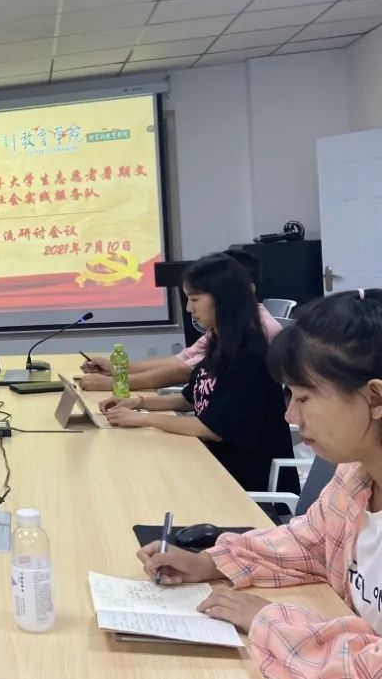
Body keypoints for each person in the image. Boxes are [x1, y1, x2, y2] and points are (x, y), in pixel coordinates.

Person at [136, 289, 382, 678]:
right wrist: (207, 563)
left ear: (375, 397)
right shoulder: (356, 478)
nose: (290, 416)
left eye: (304, 398)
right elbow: (308, 542)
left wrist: (270, 621)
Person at [100, 253, 295, 492]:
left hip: (241, 483)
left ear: (224, 299)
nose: (188, 308)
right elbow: (189, 398)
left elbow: (211, 429)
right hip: (211, 465)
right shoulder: (219, 342)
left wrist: (143, 418)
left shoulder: (249, 355)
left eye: (194, 299)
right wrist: (137, 402)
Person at [78, 248, 283, 391]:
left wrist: (117, 382)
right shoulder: (225, 327)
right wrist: (119, 369)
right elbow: (183, 359)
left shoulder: (259, 330)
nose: (189, 308)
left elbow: (185, 372)